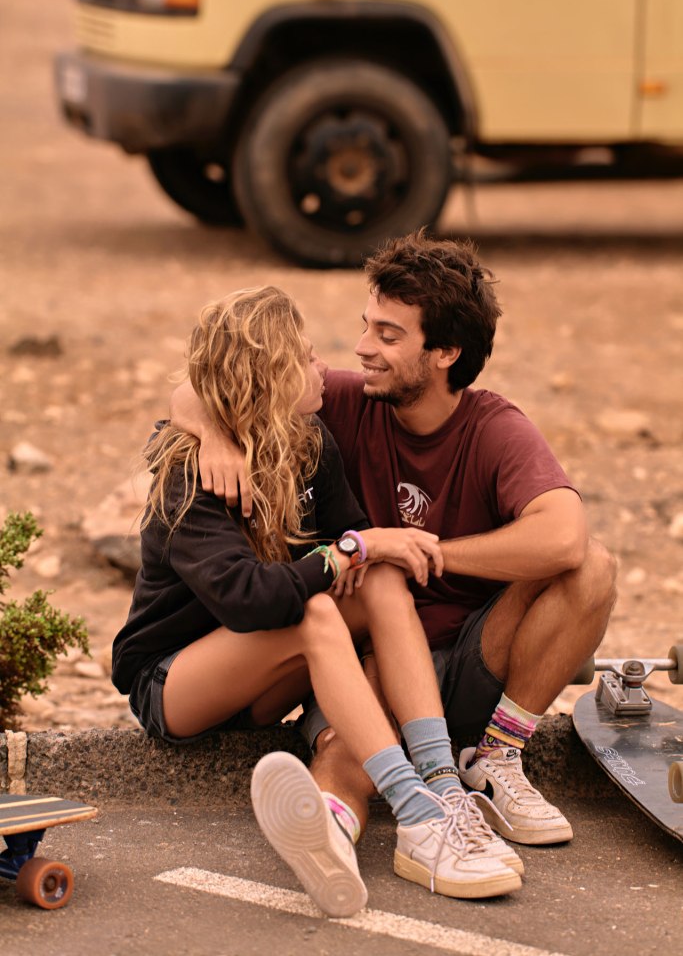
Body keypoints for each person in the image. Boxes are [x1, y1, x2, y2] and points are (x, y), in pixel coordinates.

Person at [171, 232, 617, 864]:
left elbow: (564, 535)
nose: (362, 348)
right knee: (346, 748)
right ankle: (327, 843)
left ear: (444, 352)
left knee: (592, 567)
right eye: (366, 326)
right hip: (371, 651)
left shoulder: (494, 428)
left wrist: (425, 551)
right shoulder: (347, 399)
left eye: (388, 335)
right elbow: (214, 386)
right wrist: (215, 434)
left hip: (470, 660)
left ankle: (494, 759)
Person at [112, 285, 524, 919]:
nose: (320, 369)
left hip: (263, 677)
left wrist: (358, 550)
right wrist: (347, 552)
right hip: (175, 683)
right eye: (304, 359)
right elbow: (249, 599)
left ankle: (441, 789)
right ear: (273, 377)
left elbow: (349, 540)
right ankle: (413, 811)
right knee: (321, 604)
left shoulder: (308, 443)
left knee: (381, 577)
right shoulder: (190, 475)